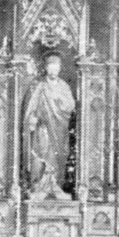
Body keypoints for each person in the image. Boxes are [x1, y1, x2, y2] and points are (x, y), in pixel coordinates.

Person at [22, 52, 75, 199]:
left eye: (56, 67)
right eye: (50, 67)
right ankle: (38, 185)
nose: (53, 70)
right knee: (42, 153)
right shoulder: (40, 86)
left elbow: (70, 106)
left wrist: (58, 101)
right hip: (43, 128)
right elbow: (31, 108)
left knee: (58, 156)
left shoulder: (64, 86)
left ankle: (56, 185)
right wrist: (33, 117)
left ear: (60, 68)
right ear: (45, 68)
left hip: (59, 129)